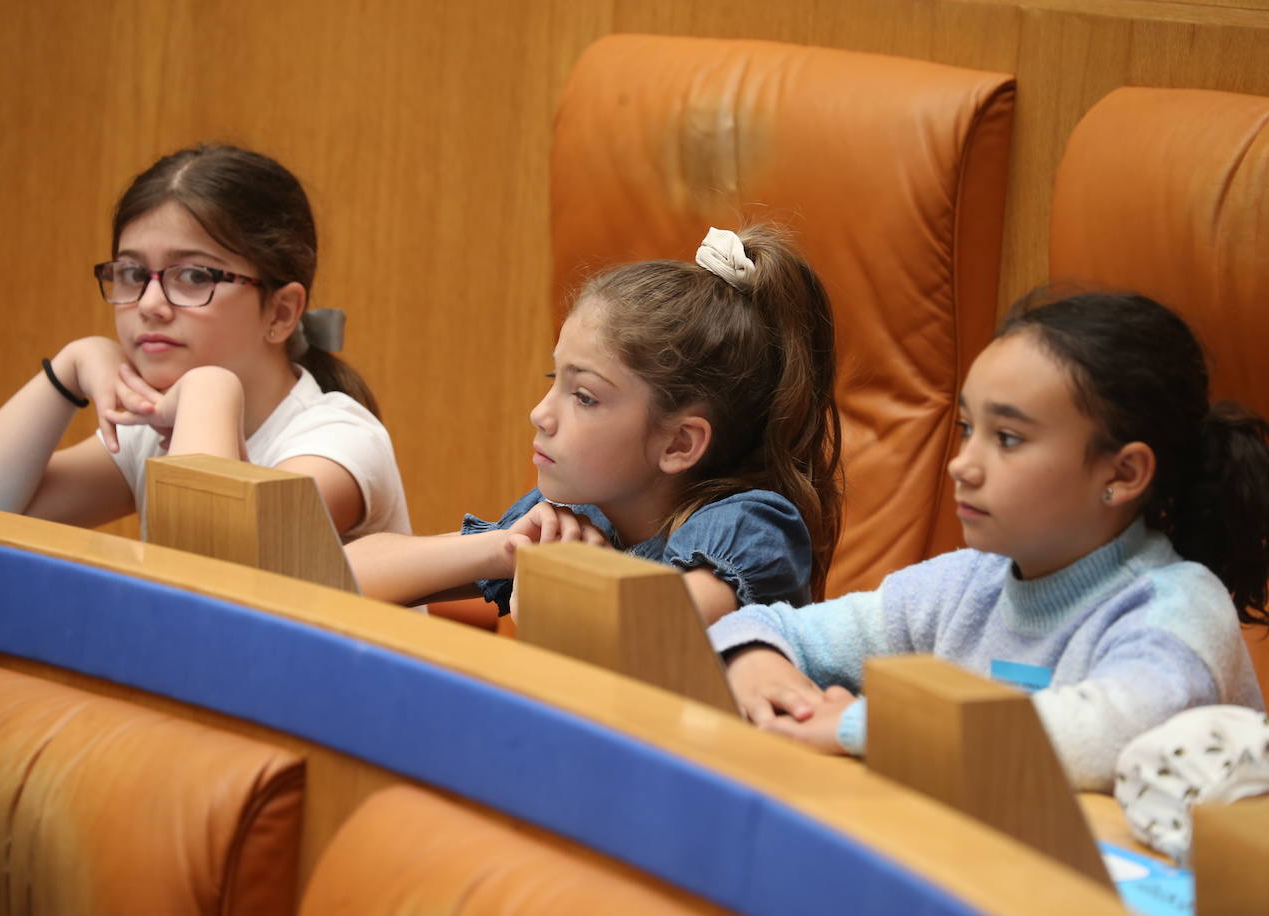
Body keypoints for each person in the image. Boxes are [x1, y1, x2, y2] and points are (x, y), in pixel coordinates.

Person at [712, 291, 1269, 791]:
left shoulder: (1179, 610)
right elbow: (766, 625)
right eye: (966, 429)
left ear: (1122, 475)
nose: (962, 465)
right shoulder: (965, 584)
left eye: (1007, 438)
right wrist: (761, 668)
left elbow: (1097, 740)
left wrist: (863, 723)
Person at [348, 225, 843, 624]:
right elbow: (339, 574)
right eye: (553, 378)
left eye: (583, 396)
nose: (540, 414)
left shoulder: (752, 524)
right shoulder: (577, 510)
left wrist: (563, 582)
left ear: (679, 442)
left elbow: (653, 633)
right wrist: (505, 549)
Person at [0, 145, 412, 540]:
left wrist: (208, 390)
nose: (150, 304)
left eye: (195, 276)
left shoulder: (337, 445)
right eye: (132, 274)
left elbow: (205, 576)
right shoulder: (150, 436)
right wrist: (70, 369)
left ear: (281, 312)